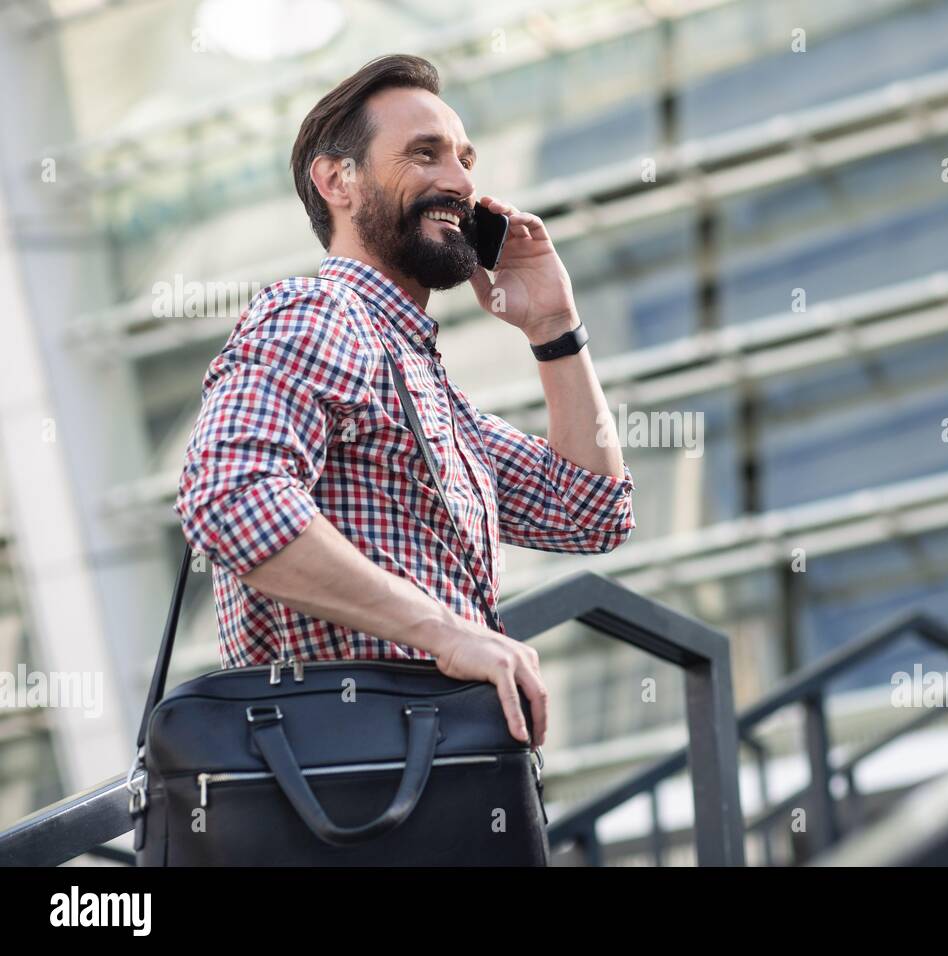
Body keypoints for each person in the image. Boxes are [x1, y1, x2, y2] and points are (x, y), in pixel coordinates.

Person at [174, 54, 637, 748]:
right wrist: (447, 635)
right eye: (425, 155)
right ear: (338, 181)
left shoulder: (424, 387)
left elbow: (592, 511)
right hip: (345, 779)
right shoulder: (317, 312)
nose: (459, 182)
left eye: (465, 159)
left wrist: (553, 327)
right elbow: (231, 496)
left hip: (430, 769)